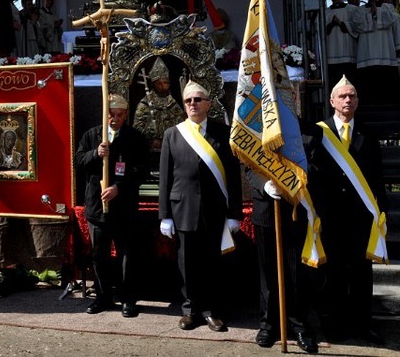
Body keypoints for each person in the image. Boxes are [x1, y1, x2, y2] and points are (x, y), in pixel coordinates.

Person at [158, 80, 242, 332]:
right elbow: (166, 178)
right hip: (183, 209)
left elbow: (233, 176)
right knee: (187, 263)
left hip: (214, 210)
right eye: (188, 101)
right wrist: (165, 215)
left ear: (208, 103)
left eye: (197, 100)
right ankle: (189, 310)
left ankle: (211, 311)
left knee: (212, 264)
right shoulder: (173, 134)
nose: (192, 104)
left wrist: (233, 214)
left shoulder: (223, 133)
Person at [311, 75, 386, 345]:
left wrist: (381, 214)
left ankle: (363, 325)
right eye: (342, 96)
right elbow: (313, 175)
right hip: (330, 216)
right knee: (333, 274)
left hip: (360, 218)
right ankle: (333, 324)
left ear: (358, 101)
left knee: (361, 273)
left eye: (352, 96)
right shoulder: (320, 132)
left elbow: (377, 177)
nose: (347, 100)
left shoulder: (369, 133)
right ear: (331, 101)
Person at [75, 94, 149, 318]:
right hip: (97, 207)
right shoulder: (92, 135)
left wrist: (119, 187)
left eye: (119, 115)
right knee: (99, 255)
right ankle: (102, 296)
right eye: (111, 115)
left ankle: (128, 299)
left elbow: (141, 170)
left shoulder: (135, 138)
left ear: (126, 115)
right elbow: (78, 161)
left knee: (127, 254)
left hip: (123, 206)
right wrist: (94, 154)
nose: (114, 119)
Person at [250, 163, 320, 352]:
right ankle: (268, 325)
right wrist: (265, 184)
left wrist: (288, 179)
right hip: (265, 208)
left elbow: (314, 167)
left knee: (295, 272)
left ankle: (298, 326)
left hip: (296, 209)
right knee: (268, 273)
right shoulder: (257, 131)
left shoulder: (311, 133)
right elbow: (249, 168)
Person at [132, 56, 185, 150]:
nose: (163, 86)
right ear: (153, 84)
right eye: (159, 83)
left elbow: (182, 124)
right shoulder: (145, 104)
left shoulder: (172, 103)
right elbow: (137, 128)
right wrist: (151, 138)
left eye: (165, 82)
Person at [324, 0, 360, 85]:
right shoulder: (326, 12)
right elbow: (321, 30)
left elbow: (357, 26)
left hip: (348, 51)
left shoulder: (352, 9)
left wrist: (341, 24)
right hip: (331, 52)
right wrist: (331, 24)